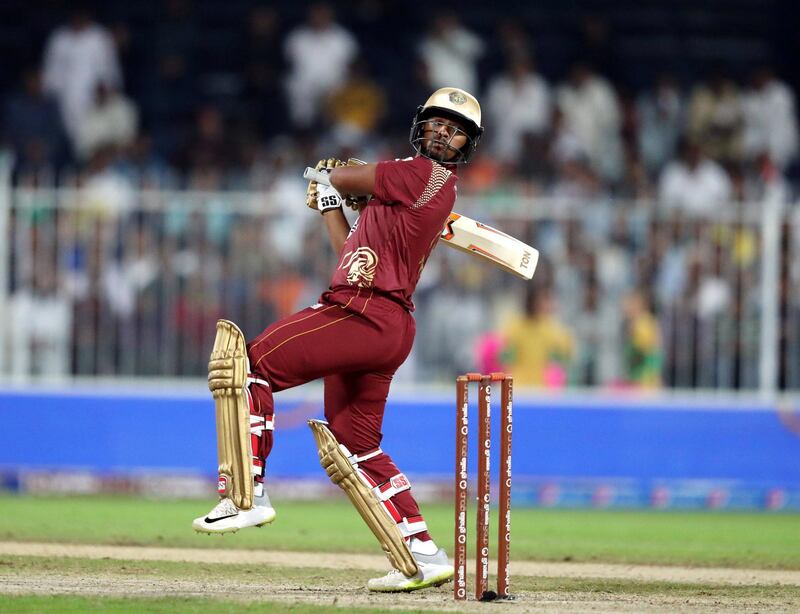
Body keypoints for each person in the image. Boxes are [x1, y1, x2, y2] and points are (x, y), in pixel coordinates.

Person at [192, 87, 484, 593]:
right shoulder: (400, 195)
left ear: (465, 145)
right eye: (437, 122)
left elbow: (341, 173)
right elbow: (349, 251)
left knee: (249, 363)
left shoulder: (422, 174)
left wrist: (337, 178)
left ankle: (245, 495)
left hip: (362, 312)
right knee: (357, 444)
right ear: (422, 124)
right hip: (381, 318)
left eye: (454, 129)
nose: (442, 132)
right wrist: (334, 205)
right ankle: (423, 550)